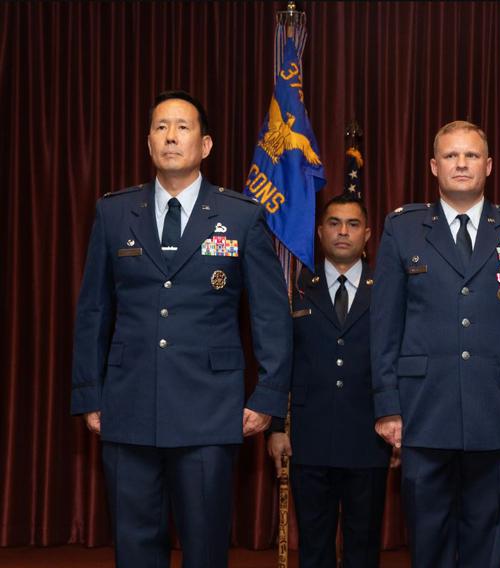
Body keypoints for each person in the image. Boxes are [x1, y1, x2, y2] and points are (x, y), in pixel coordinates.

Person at [70, 90, 292, 568]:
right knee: (134, 546)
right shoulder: (114, 213)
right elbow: (93, 311)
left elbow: (271, 316)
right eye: (161, 127)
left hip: (210, 411)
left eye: (183, 127)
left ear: (206, 145)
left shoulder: (241, 215)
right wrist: (90, 393)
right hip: (127, 407)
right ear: (149, 143)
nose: (171, 136)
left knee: (206, 547)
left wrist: (268, 398)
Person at [371, 120, 500, 568]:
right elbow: (384, 325)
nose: (461, 164)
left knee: (487, 541)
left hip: (499, 409)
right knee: (427, 540)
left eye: (471, 156)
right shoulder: (403, 228)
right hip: (422, 410)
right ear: (434, 166)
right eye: (451, 156)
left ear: (488, 166)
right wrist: (388, 405)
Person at [267, 192, 391, 568]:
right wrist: (275, 427)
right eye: (334, 223)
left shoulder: (386, 289)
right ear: (320, 232)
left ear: (367, 234)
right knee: (315, 546)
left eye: (353, 224)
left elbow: (398, 359)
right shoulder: (295, 287)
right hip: (309, 437)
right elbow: (280, 362)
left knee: (364, 545)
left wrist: (399, 423)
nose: (343, 232)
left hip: (369, 436)